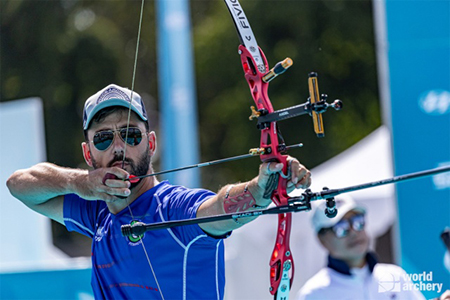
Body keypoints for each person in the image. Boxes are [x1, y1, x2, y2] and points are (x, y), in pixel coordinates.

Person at [6, 84, 311, 300]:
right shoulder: (96, 212)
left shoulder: (174, 208)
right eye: (103, 139)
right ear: (88, 154)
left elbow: (222, 208)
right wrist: (79, 183)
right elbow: (19, 185)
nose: (118, 147)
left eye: (130, 134)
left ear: (150, 143)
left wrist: (262, 187)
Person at [296, 195, 426, 300]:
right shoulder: (313, 294)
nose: (353, 232)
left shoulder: (395, 275)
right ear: (322, 240)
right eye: (341, 227)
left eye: (358, 221)